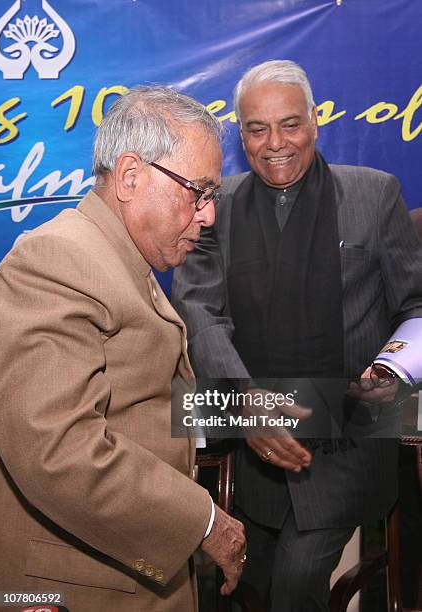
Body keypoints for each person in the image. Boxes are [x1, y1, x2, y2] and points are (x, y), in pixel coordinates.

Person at [172, 60, 422, 611]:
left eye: (289, 124)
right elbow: (197, 308)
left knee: (293, 587)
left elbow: (416, 307)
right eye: (257, 129)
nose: (274, 143)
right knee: (241, 586)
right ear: (240, 133)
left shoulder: (374, 196)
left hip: (349, 438)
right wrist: (243, 400)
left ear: (314, 122)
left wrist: (393, 369)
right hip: (253, 442)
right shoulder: (217, 206)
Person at [0, 86, 246, 612]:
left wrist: (268, 410)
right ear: (131, 177)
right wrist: (202, 519)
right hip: (77, 587)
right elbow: (56, 447)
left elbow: (139, 399)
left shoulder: (120, 258)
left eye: (213, 196)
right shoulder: (58, 259)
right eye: (197, 191)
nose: (208, 216)